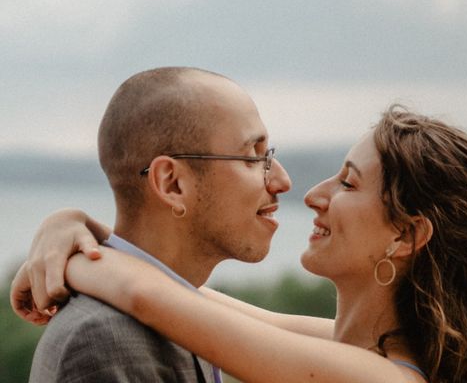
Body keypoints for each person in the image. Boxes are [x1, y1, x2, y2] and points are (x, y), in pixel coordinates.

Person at [12, 106, 467, 383]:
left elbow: (149, 296)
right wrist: (72, 226)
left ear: (406, 235)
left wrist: (65, 261)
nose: (312, 195)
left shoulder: (384, 378)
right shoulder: (353, 347)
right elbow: (186, 296)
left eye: (347, 182)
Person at [14, 67, 292, 382]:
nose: (282, 181)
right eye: (253, 158)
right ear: (172, 184)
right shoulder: (105, 341)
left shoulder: (181, 312)